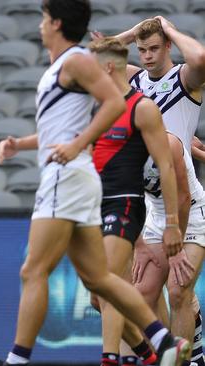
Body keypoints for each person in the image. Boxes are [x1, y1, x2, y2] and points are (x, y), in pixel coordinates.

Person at [0, 1, 189, 364]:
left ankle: (19, 359)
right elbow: (65, 125)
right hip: (85, 185)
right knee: (99, 281)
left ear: (54, 23)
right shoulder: (64, 66)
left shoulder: (75, 61)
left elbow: (115, 102)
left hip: (73, 179)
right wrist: (19, 144)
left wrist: (77, 145)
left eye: (43, 18)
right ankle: (161, 344)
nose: (39, 25)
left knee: (33, 270)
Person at [99, 16, 205, 362]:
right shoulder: (135, 80)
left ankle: (187, 356)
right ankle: (169, 350)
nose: (145, 56)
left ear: (168, 47)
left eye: (154, 48)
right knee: (141, 292)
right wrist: (130, 34)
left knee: (177, 290)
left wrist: (169, 28)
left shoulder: (185, 79)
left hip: (184, 195)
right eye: (141, 50)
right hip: (148, 200)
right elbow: (91, 60)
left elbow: (201, 59)